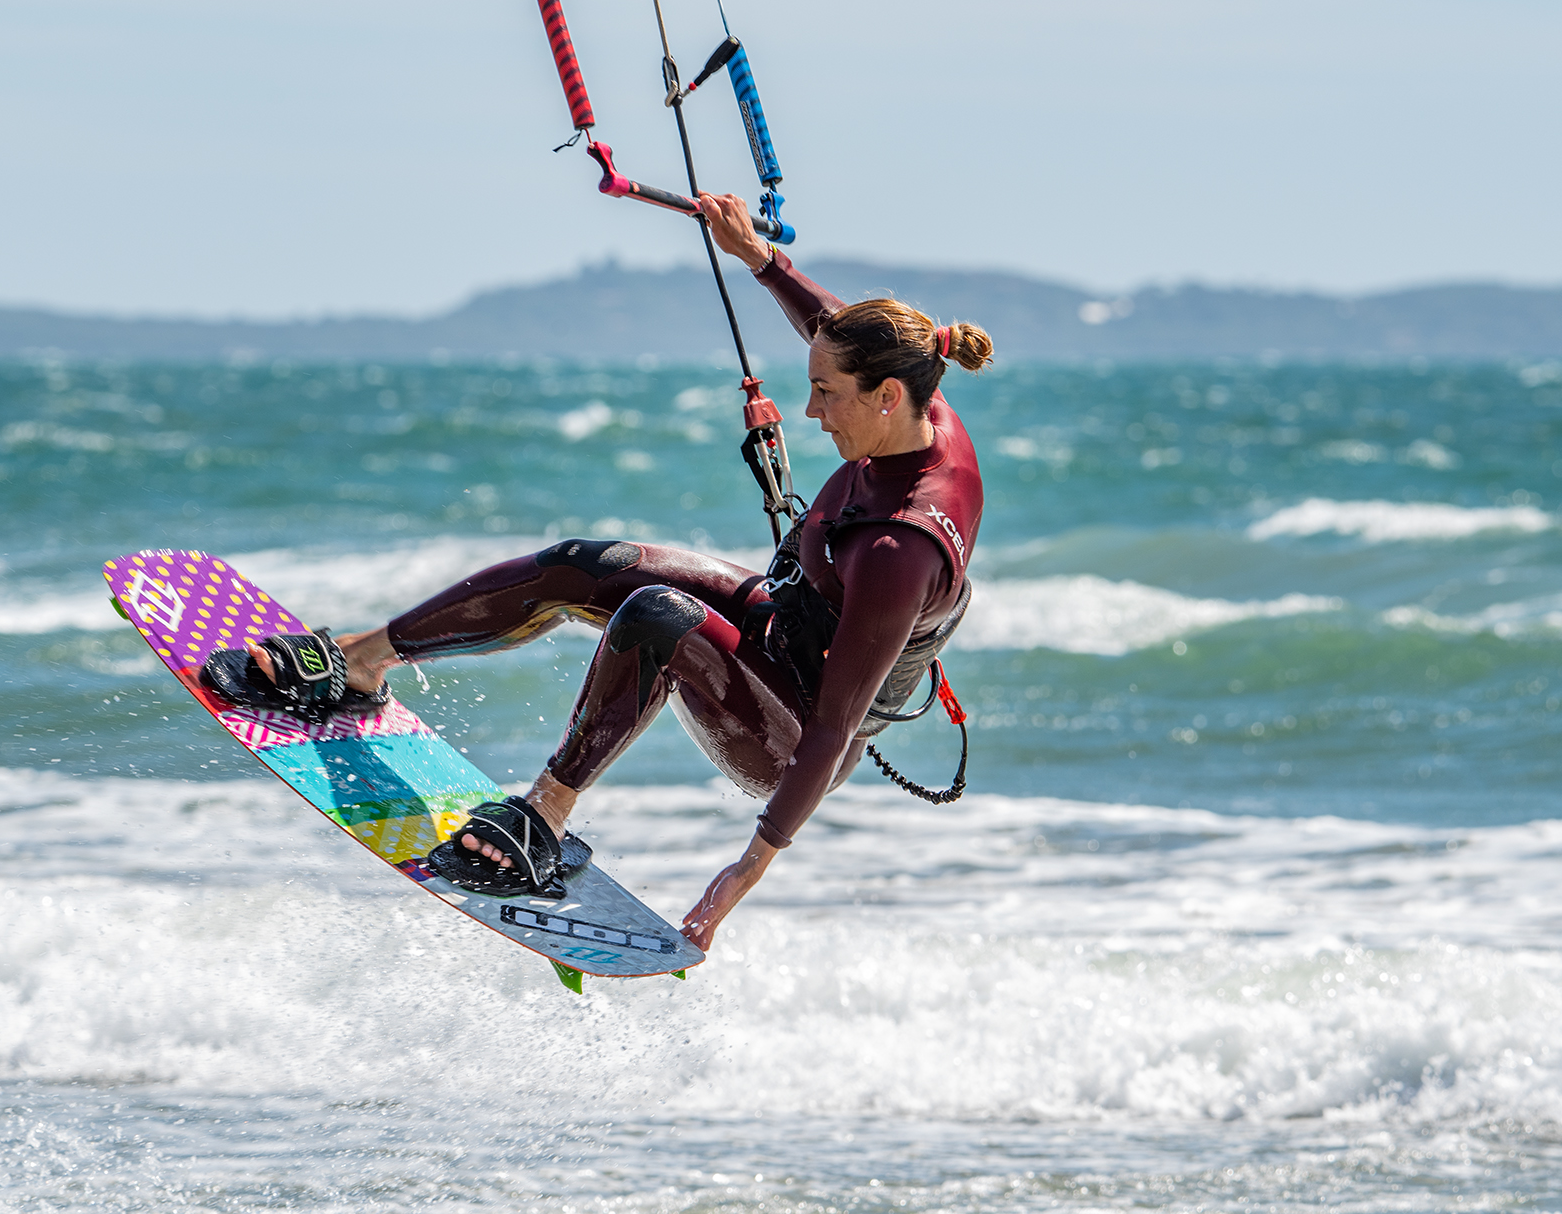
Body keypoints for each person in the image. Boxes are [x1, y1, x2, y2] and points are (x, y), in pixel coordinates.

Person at [211, 192, 994, 951]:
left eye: (826, 394)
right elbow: (827, 324)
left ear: (887, 397)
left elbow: (831, 726)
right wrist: (758, 256)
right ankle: (359, 661)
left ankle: (545, 815)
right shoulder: (912, 393)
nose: (813, 410)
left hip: (794, 731)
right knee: (588, 565)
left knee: (657, 614)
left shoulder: (904, 547)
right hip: (780, 618)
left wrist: (750, 863)